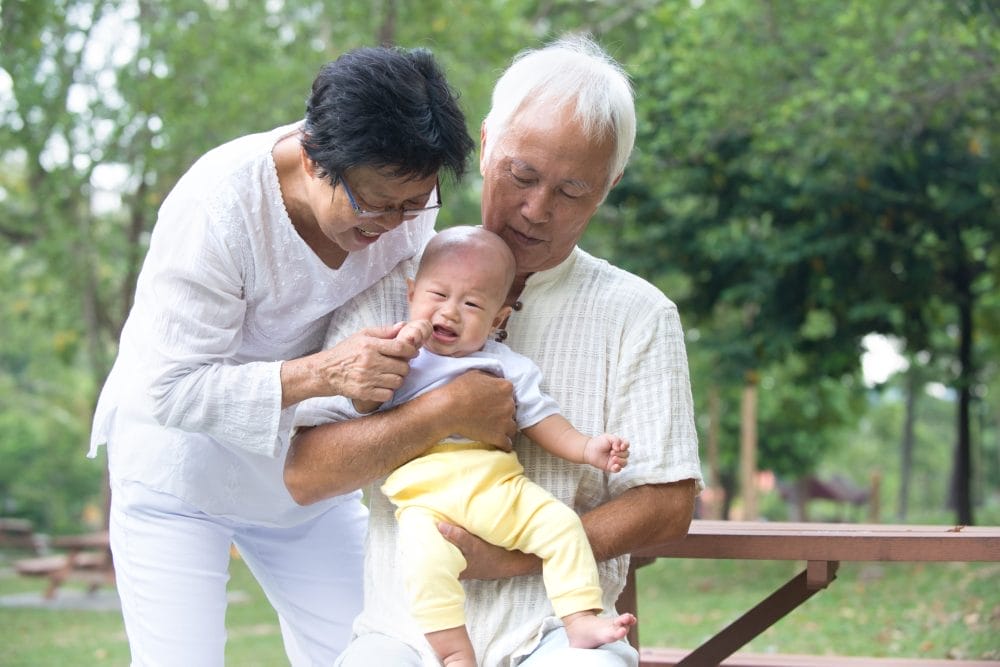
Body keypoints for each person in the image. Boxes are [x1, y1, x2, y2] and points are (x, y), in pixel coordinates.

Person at [285, 35, 703, 667]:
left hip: (561, 633)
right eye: (523, 175)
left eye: (572, 190)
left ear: (609, 186)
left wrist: (512, 559)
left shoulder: (638, 314)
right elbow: (306, 474)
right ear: (486, 148)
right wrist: (440, 411)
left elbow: (669, 502)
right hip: (403, 634)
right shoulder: (395, 281)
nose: (536, 209)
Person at [87, 46, 475, 666]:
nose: (395, 224)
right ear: (315, 157)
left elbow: (392, 321)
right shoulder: (218, 207)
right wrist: (327, 372)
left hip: (298, 478)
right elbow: (169, 390)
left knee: (382, 649)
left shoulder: (401, 207)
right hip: (175, 476)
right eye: (376, 203)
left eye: (414, 203)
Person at [297, 226, 637, 666]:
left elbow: (543, 420)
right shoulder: (398, 356)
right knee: (425, 568)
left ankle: (580, 617)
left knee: (563, 526)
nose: (451, 312)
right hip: (425, 503)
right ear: (412, 293)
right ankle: (455, 653)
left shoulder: (503, 364)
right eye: (438, 295)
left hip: (500, 491)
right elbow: (364, 403)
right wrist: (400, 353)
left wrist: (588, 448)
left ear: (498, 319)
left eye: (472, 304)